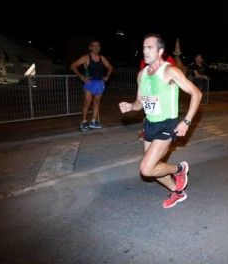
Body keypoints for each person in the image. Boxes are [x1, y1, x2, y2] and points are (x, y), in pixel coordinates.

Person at [119, 34, 202, 209]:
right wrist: (130, 106)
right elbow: (140, 102)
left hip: (167, 125)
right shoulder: (142, 75)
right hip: (149, 125)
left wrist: (186, 122)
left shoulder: (169, 71)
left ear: (160, 51)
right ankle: (178, 192)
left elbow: (197, 93)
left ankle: (179, 169)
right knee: (155, 168)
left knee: (146, 169)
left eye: (150, 47)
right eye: (143, 47)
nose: (145, 51)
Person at [70, 40, 114, 132]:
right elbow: (73, 66)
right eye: (94, 46)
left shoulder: (102, 58)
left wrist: (107, 76)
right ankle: (84, 122)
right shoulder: (86, 57)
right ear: (90, 47)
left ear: (100, 47)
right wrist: (81, 76)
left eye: (98, 45)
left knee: (97, 103)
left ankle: (93, 122)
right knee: (87, 103)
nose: (96, 47)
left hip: (100, 83)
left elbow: (110, 67)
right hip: (89, 83)